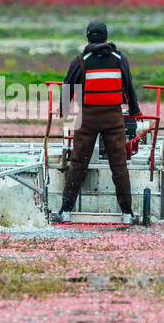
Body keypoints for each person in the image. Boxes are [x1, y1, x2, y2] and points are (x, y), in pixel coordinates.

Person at [52, 19, 142, 222]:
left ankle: (65, 212)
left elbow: (68, 86)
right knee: (119, 165)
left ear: (87, 38)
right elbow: (129, 87)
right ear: (107, 37)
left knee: (77, 163)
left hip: (87, 120)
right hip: (114, 119)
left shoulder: (81, 60)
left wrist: (65, 112)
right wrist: (134, 110)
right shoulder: (120, 59)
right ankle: (127, 214)